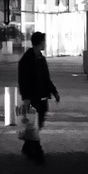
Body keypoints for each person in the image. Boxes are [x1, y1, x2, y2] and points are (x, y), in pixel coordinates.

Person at [17, 31, 59, 164]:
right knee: (33, 125)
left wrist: (54, 92)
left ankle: (27, 147)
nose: (45, 44)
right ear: (39, 43)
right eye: (43, 41)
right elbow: (22, 80)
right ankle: (38, 153)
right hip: (32, 97)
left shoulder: (41, 58)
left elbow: (46, 78)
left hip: (42, 96)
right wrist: (26, 97)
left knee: (38, 123)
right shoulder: (26, 60)